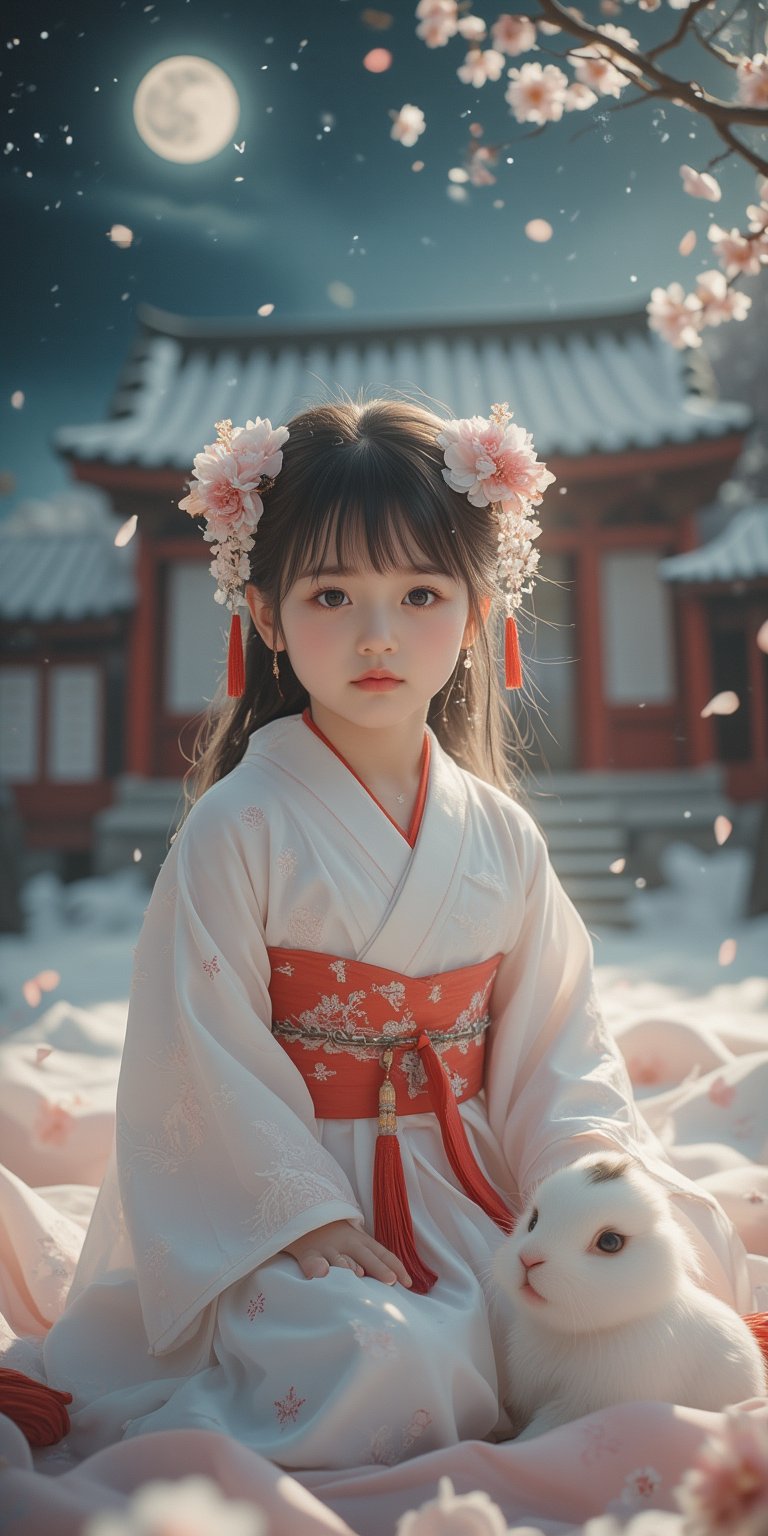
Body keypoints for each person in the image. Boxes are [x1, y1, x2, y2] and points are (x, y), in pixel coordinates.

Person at [2, 397, 759, 1471]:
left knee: (662, 1263)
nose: (377, 633)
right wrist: (302, 1218)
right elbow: (198, 1047)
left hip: (481, 1178)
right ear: (263, 614)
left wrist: (579, 1176)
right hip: (299, 1189)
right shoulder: (237, 824)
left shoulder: (501, 834)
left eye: (419, 593)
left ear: (479, 608)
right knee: (383, 1358)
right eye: (330, 593)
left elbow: (557, 1039)